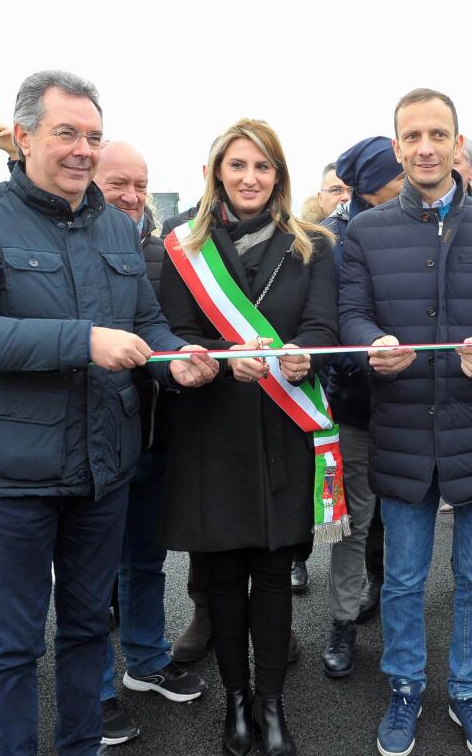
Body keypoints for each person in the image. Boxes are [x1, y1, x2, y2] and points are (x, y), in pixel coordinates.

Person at [0, 70, 217, 756]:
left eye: (93, 135)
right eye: (67, 133)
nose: (84, 149)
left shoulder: (117, 231)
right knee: (17, 646)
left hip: (103, 469)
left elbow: (147, 324)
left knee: (90, 631)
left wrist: (178, 359)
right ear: (23, 136)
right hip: (13, 477)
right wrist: (84, 341)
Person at [340, 88, 472, 756]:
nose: (425, 147)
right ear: (398, 148)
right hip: (401, 429)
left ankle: (469, 693)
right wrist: (373, 346)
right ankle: (403, 689)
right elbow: (352, 316)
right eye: (412, 136)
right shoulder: (364, 231)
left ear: (458, 143)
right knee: (401, 577)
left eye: (438, 134)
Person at [157, 118, 339, 756]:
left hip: (283, 426)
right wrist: (222, 357)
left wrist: (303, 356)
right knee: (226, 574)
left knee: (274, 568)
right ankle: (235, 702)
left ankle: (271, 704)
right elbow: (173, 330)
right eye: (237, 166)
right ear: (216, 174)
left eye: (262, 167)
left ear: (279, 176)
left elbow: (323, 327)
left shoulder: (314, 244)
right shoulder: (180, 245)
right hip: (213, 431)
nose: (250, 178)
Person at [92, 142, 207, 746]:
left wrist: (178, 363)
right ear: (91, 181)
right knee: (91, 575)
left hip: (157, 436)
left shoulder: (167, 255)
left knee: (145, 560)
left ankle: (146, 660)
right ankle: (96, 693)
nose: (131, 196)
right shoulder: (79, 250)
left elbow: (162, 331)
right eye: (118, 183)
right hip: (97, 440)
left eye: (140, 185)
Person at [320, 135, 405, 680]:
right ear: (373, 186)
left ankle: (400, 624)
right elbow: (328, 327)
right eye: (395, 177)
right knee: (352, 524)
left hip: (415, 406)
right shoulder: (328, 241)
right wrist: (367, 362)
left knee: (406, 525)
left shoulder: (417, 226)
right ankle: (342, 622)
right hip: (355, 407)